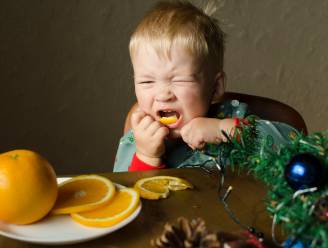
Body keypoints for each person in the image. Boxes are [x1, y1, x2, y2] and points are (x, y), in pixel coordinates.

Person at [113, 0, 297, 172]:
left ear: (215, 87)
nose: (162, 95)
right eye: (147, 81)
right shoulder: (136, 139)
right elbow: (124, 198)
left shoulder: (231, 119)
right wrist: (146, 157)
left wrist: (224, 130)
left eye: (179, 80)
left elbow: (296, 146)